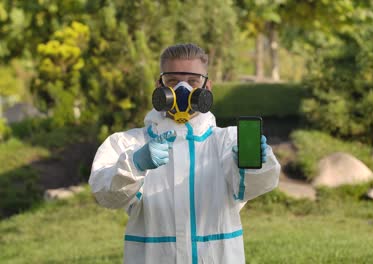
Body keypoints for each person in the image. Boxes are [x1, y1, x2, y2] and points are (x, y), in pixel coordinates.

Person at [89, 43, 281, 264]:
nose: (183, 90)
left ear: (206, 87)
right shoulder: (128, 143)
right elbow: (105, 196)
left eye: (192, 81)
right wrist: (135, 163)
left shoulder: (228, 142)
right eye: (172, 81)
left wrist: (254, 164)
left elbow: (257, 186)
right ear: (159, 85)